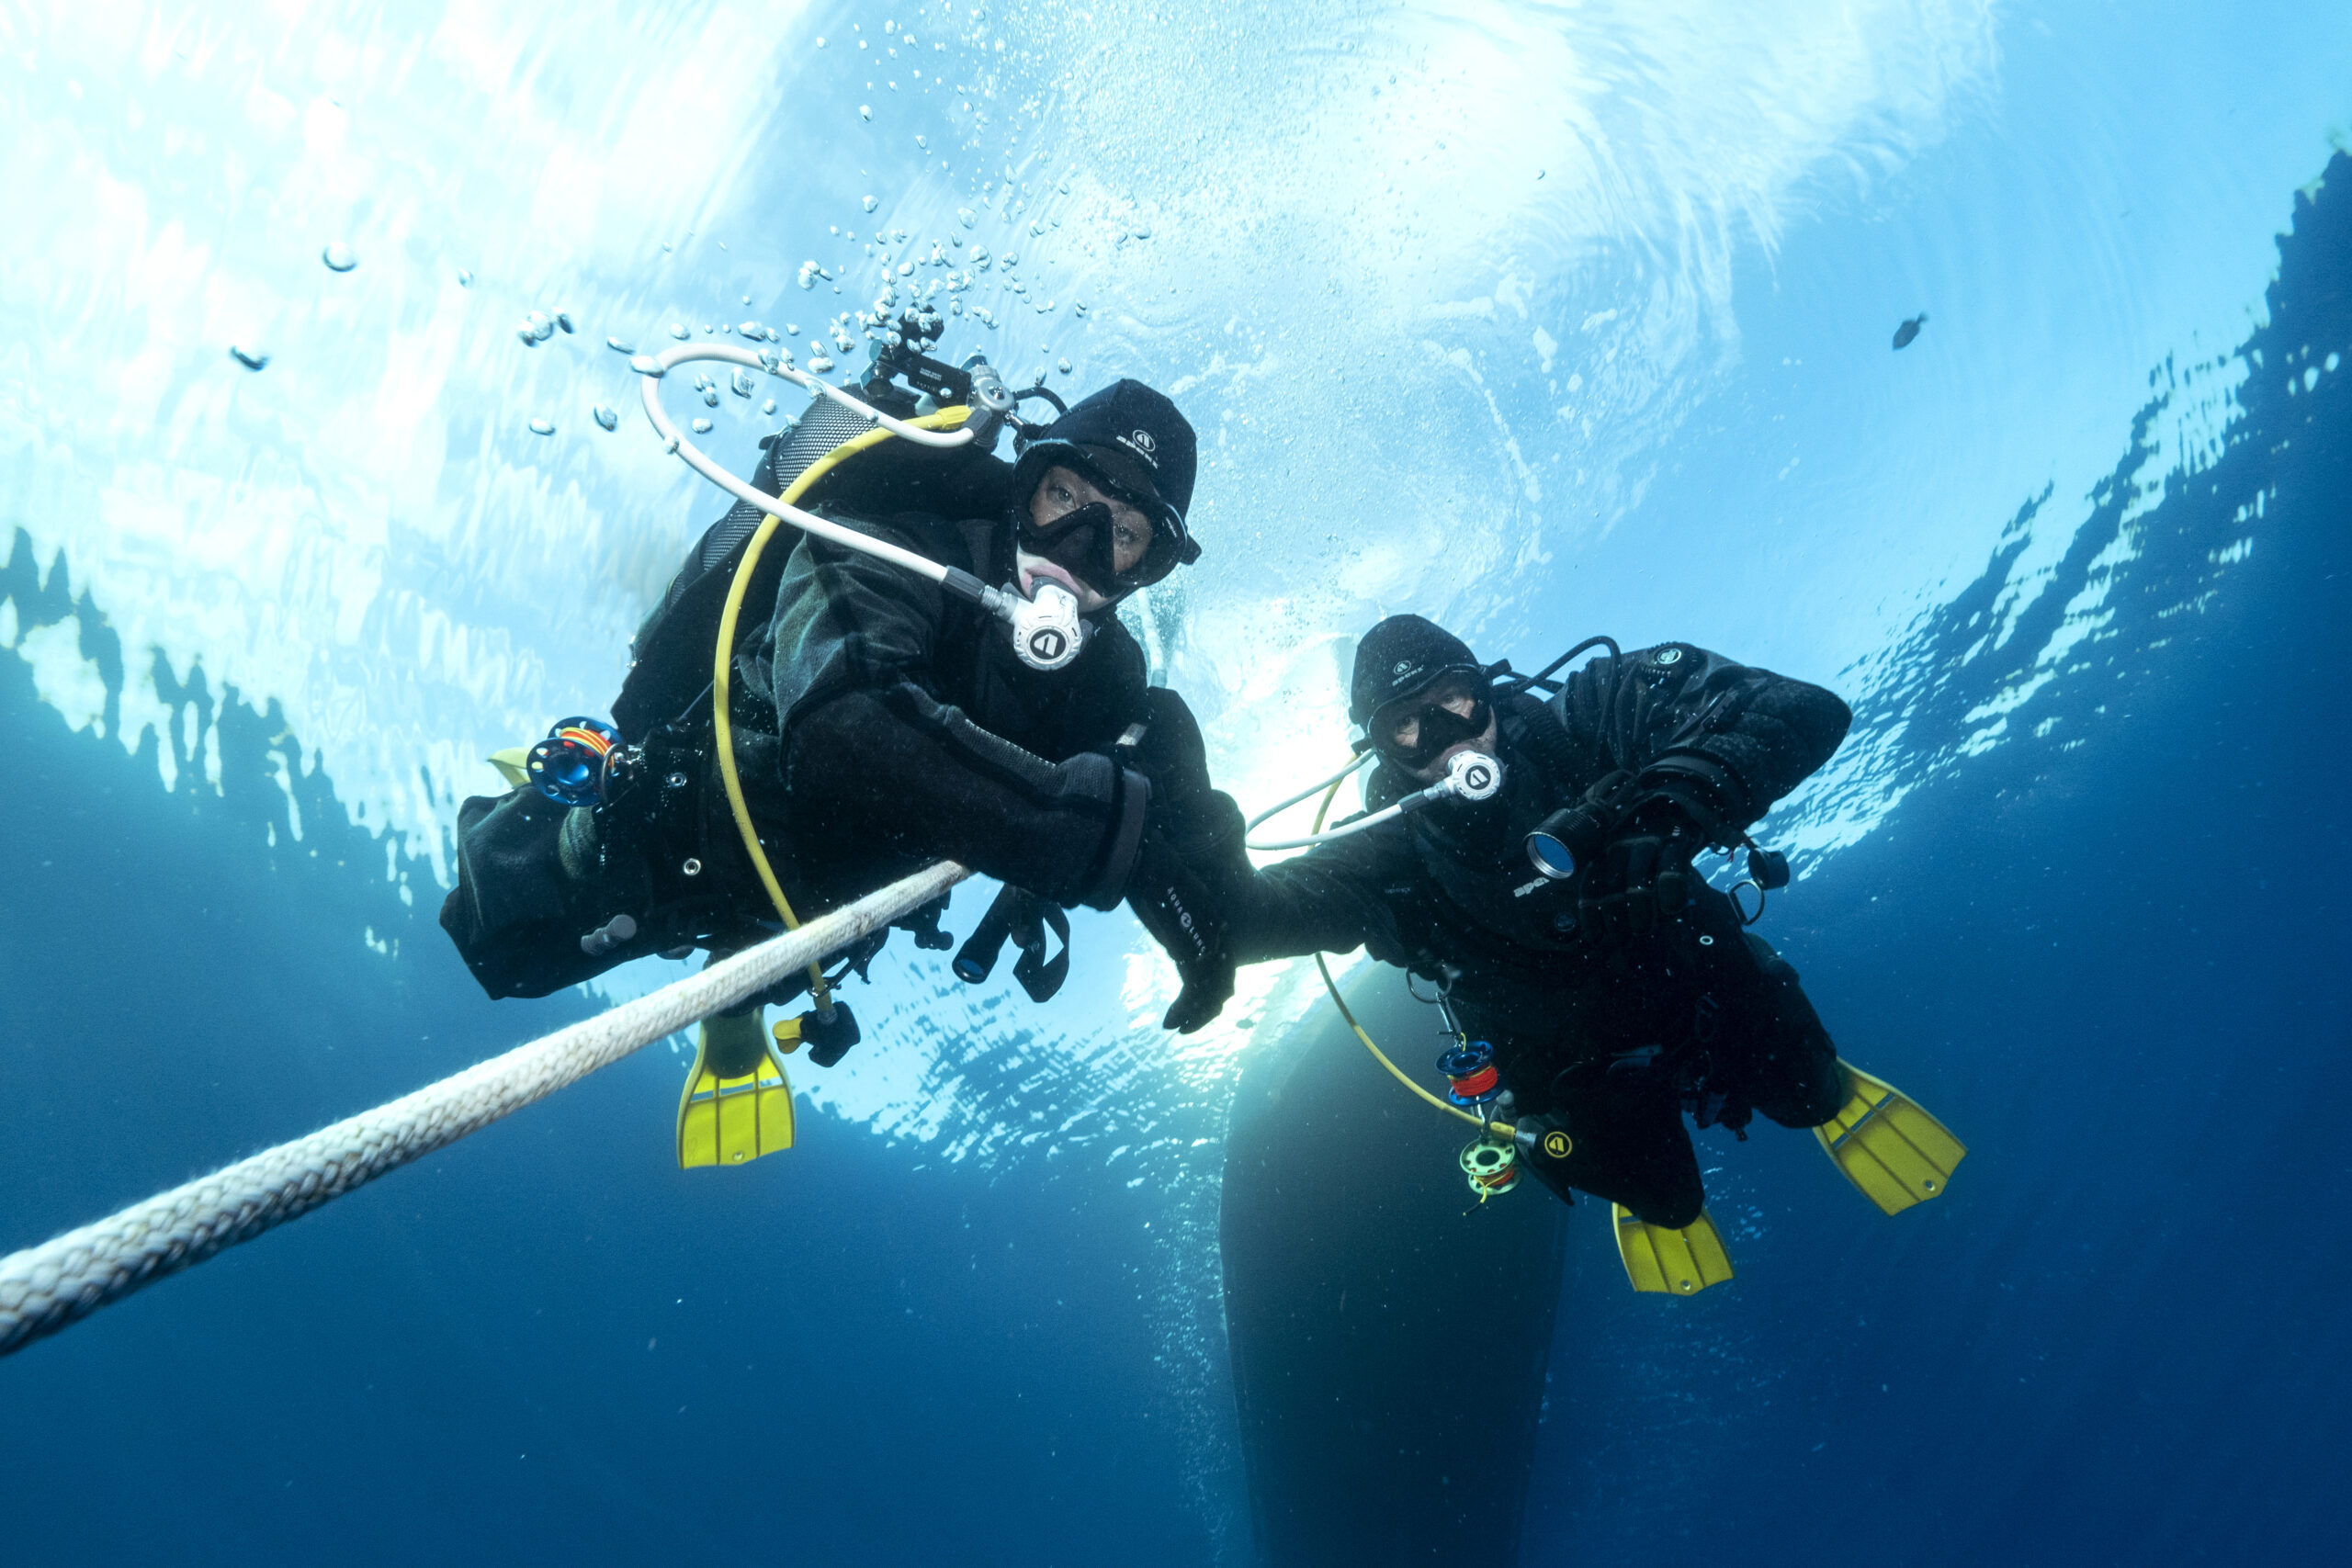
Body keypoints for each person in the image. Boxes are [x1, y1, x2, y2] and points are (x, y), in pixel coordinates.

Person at [437, 357, 1242, 1161]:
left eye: (1124, 536)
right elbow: (841, 728)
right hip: (696, 832)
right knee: (493, 938)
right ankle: (572, 795)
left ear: (1147, 570)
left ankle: (740, 989)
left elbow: (1158, 763)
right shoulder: (896, 540)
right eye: (1064, 498)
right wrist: (1090, 840)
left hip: (820, 916)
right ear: (1023, 486)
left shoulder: (1106, 680)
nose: (1078, 547)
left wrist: (1209, 905)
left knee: (773, 963)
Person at [1204, 614, 1954, 1267]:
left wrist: (1667, 810)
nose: (1444, 739)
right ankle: (1575, 1144)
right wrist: (1181, 863)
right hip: (1569, 1065)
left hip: (1698, 979)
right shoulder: (1384, 854)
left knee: (1811, 1094)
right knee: (1669, 1200)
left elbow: (1798, 708)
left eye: (1455, 701)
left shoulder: (1585, 720)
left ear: (1485, 690)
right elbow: (1260, 912)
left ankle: (1786, 1041)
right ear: (1380, 746)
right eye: (1407, 723)